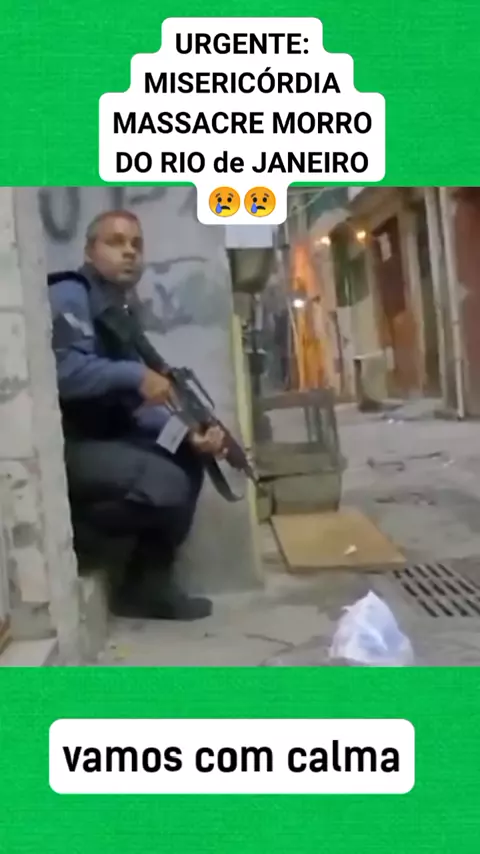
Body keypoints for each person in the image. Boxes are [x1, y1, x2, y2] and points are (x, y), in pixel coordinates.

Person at [48, 209, 226, 621]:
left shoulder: (119, 310)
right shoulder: (70, 295)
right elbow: (64, 374)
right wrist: (135, 375)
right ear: (90, 252)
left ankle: (147, 587)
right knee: (165, 484)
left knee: (189, 458)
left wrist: (188, 434)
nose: (129, 252)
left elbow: (134, 407)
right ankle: (79, 533)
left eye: (136, 244)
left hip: (105, 437)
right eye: (115, 242)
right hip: (66, 446)